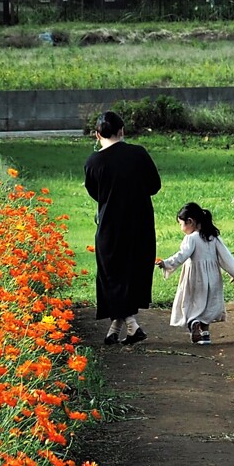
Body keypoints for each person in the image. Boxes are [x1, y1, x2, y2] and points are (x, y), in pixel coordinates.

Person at [84, 111, 162, 345]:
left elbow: (94, 193)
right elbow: (154, 185)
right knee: (133, 271)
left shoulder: (93, 162)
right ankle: (127, 325)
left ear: (97, 135)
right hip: (140, 222)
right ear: (122, 131)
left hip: (109, 225)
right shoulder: (138, 154)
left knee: (111, 274)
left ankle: (125, 325)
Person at [155, 202, 234, 345]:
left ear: (190, 221)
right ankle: (205, 335)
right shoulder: (213, 237)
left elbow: (181, 256)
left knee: (194, 302)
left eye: (180, 224)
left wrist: (166, 263)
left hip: (195, 277)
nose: (181, 228)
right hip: (213, 278)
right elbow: (226, 256)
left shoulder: (191, 238)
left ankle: (194, 322)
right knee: (208, 304)